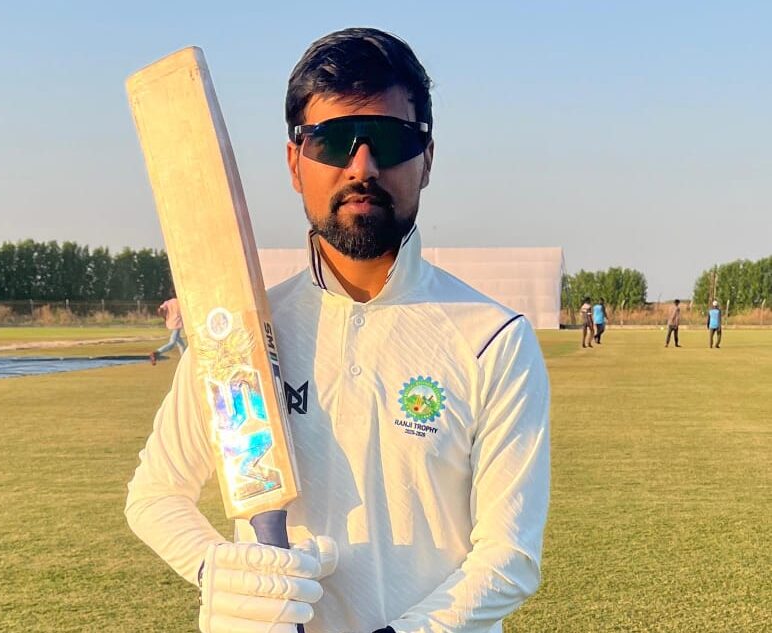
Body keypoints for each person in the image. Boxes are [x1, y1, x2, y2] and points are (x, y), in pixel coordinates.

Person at [126, 28, 550, 633]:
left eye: (389, 139)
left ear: (427, 158)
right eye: (331, 140)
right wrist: (224, 574)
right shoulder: (235, 335)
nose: (362, 166)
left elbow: (509, 557)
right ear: (295, 162)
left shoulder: (492, 339)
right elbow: (156, 493)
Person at [150, 294, 186, 365]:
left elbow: (160, 310)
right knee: (172, 343)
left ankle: (184, 361)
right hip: (177, 324)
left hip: (170, 324)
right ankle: (156, 353)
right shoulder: (180, 301)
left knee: (181, 344)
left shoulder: (167, 302)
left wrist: (164, 317)